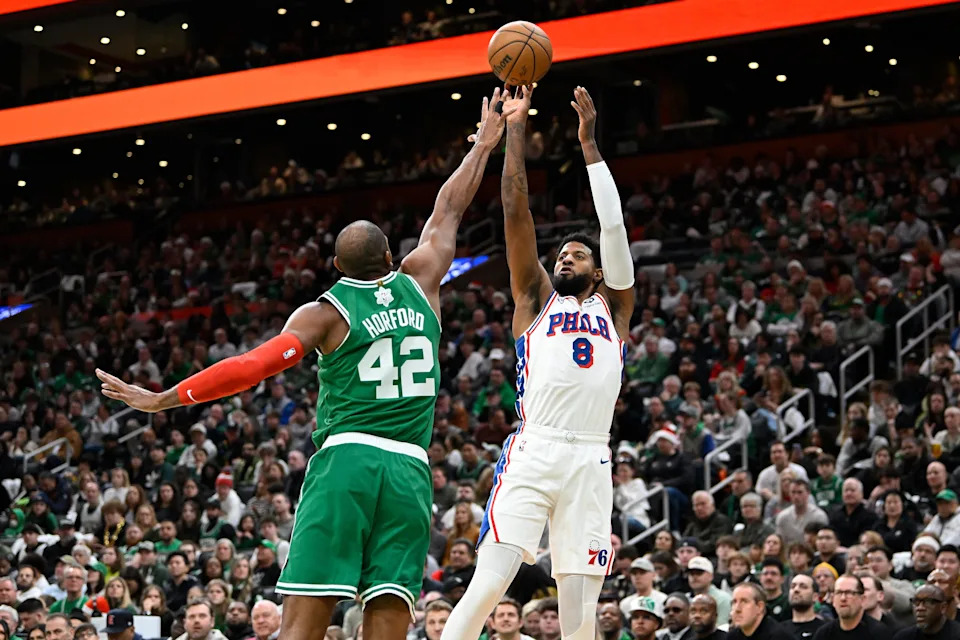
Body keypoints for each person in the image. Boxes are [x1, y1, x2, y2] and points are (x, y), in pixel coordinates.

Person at [96, 87, 512, 640]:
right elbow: (449, 209)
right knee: (389, 615)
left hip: (346, 463)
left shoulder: (323, 314)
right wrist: (484, 144)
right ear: (392, 257)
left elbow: (249, 367)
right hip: (411, 469)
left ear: (336, 265)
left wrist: (162, 398)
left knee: (304, 623)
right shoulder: (423, 279)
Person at [441, 86, 635, 640]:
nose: (565, 258)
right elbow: (515, 208)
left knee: (580, 611)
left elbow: (614, 228)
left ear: (599, 271)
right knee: (488, 585)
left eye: (577, 255)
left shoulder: (616, 308)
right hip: (536, 448)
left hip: (591, 457)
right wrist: (516, 129)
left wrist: (589, 147)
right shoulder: (535, 297)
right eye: (561, 255)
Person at [811, 575, 893, 639]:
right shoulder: (824, 633)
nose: (843, 598)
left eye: (849, 593)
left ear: (862, 599)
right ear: (833, 600)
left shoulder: (878, 633)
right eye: (839, 593)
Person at [891, 584, 960, 639]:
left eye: (928, 602)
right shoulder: (903, 637)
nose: (920, 608)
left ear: (943, 607)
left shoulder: (956, 634)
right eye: (916, 602)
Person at [782, 574, 828, 640]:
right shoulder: (780, 630)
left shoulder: (826, 630)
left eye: (803, 587)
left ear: (815, 596)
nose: (796, 589)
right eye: (793, 586)